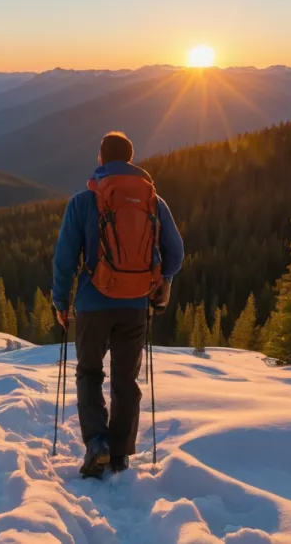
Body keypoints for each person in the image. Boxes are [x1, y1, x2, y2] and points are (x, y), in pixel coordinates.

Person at [52, 131, 184, 478]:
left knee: (89, 372)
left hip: (93, 302)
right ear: (130, 158)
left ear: (101, 158)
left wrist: (60, 301)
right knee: (126, 379)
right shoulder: (154, 200)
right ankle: (121, 452)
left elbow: (65, 258)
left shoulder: (83, 201)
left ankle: (97, 443)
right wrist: (164, 282)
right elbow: (176, 251)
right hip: (135, 304)